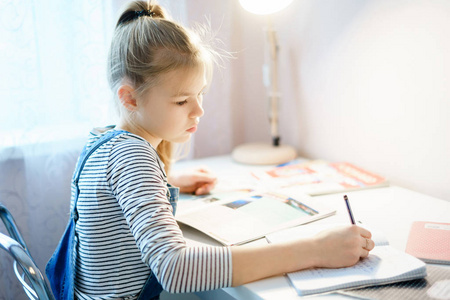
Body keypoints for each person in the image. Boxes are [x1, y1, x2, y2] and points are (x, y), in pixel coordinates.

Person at [47, 1, 375, 299]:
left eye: (200, 94)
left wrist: (169, 179)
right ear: (130, 98)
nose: (198, 111)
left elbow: (113, 191)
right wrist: (316, 249)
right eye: (181, 100)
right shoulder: (133, 158)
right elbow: (176, 268)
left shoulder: (105, 141)